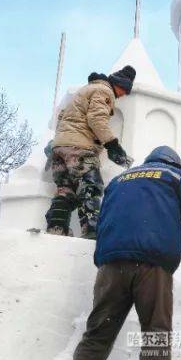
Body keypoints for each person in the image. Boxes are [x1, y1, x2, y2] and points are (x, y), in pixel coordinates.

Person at [63, 146, 181, 360]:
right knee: (156, 335)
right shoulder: (176, 176)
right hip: (151, 265)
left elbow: (102, 220)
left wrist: (103, 260)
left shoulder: (119, 180)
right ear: (175, 163)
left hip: (111, 266)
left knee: (97, 334)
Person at [45, 65, 137, 239]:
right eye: (125, 90)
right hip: (79, 148)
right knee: (90, 187)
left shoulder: (85, 90)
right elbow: (96, 119)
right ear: (118, 83)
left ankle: (56, 229)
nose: (124, 94)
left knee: (66, 190)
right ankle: (92, 232)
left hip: (59, 147)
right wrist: (112, 144)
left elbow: (61, 117)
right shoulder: (104, 91)